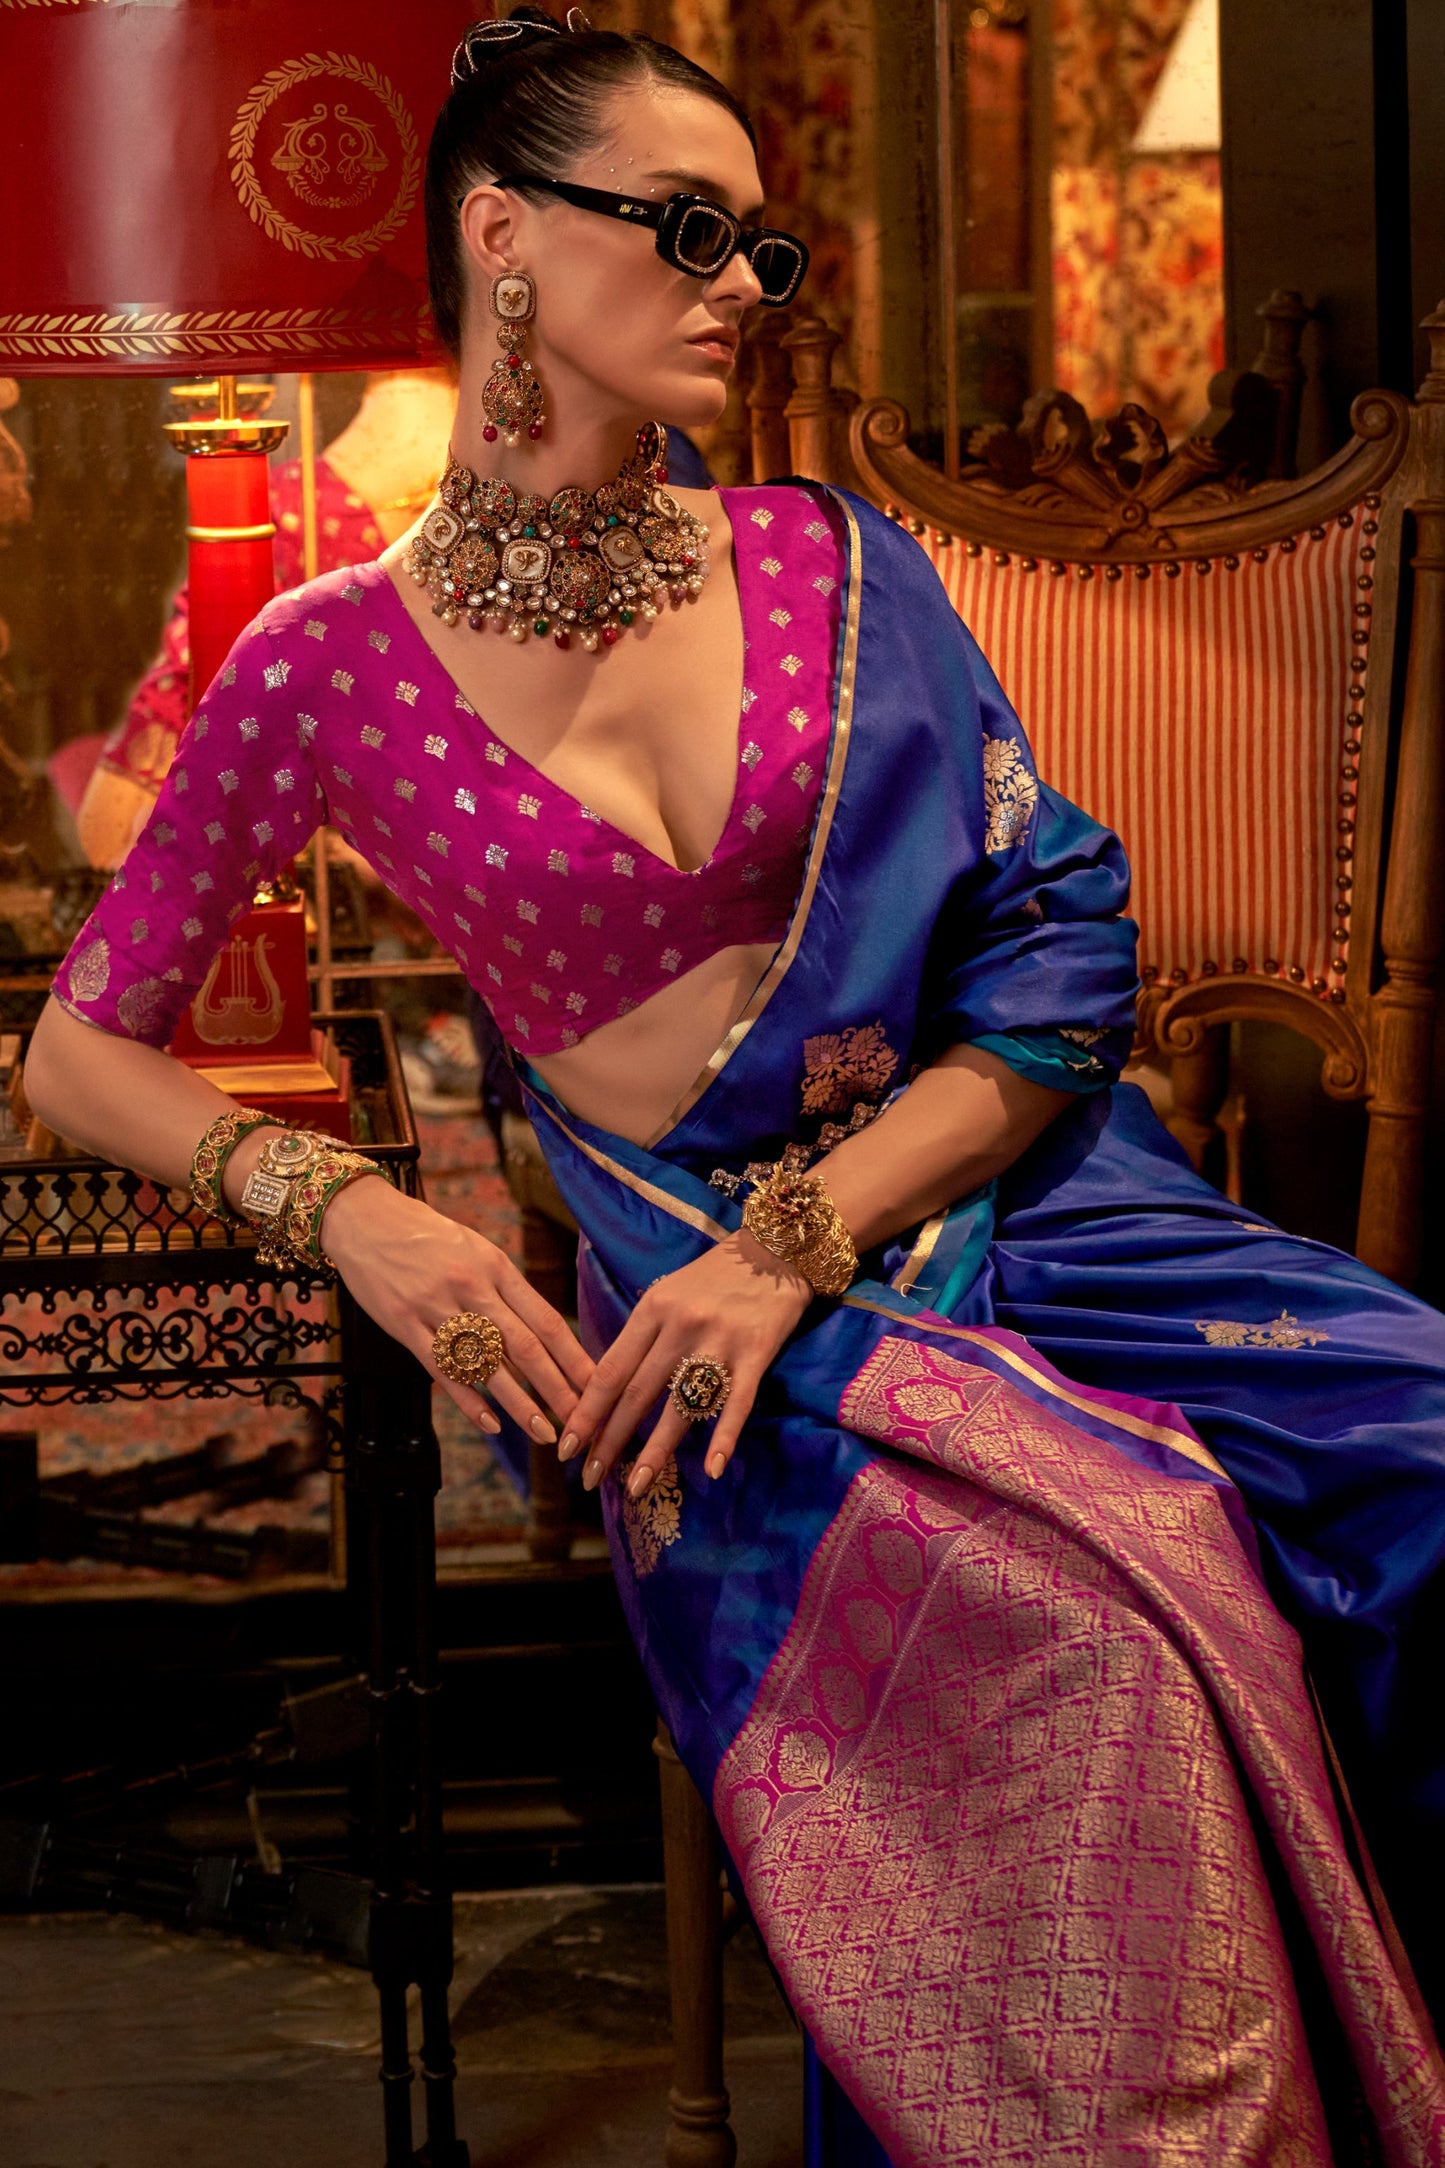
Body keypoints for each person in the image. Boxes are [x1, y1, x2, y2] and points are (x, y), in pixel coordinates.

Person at [24, 11, 1445, 2162]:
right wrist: (367, 1216)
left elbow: (1057, 954)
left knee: (1424, 1465)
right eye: (690, 228)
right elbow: (78, 1047)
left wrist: (804, 1235)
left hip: (1024, 1211)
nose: (743, 287)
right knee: (1091, 1648)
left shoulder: (835, 565)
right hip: (703, 1348)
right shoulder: (321, 662)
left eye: (762, 247)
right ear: (501, 235)